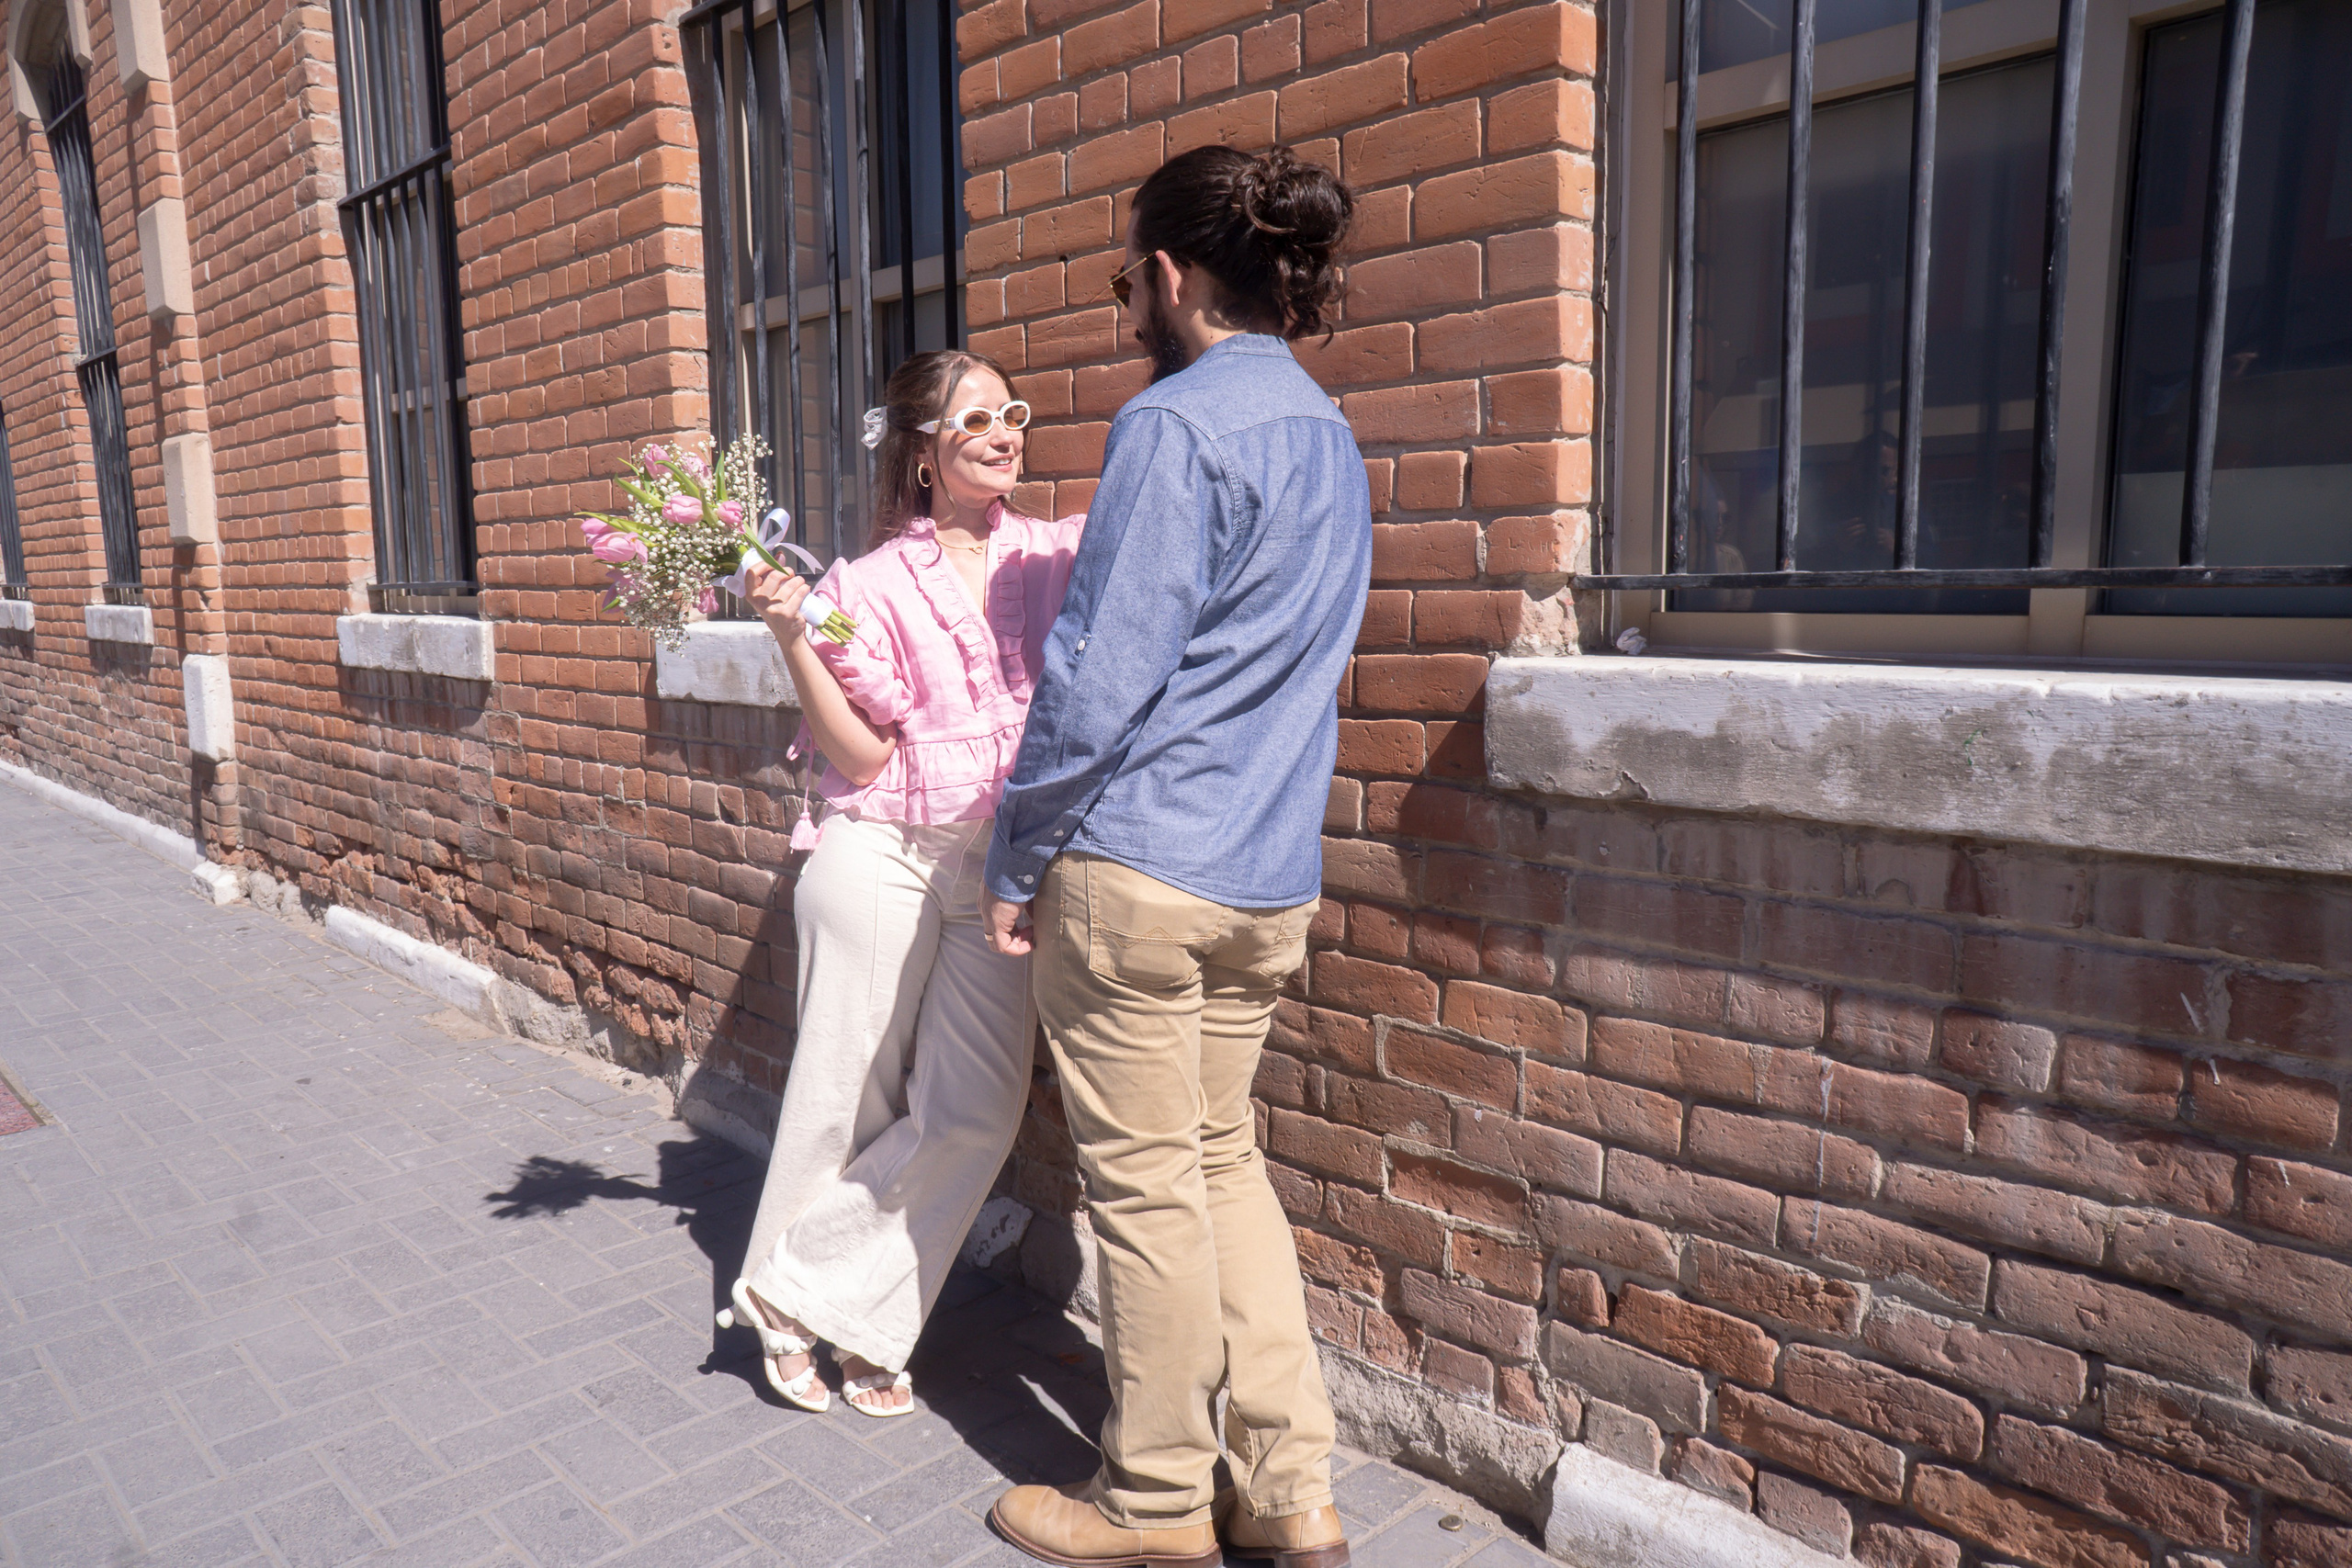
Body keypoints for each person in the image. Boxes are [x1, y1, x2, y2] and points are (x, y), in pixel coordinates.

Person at [978, 144, 1368, 1568]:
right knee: (1221, 1163)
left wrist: (1018, 851)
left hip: (1141, 868)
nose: (1124, 299)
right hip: (1265, 874)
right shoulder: (1327, 435)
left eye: (1125, 274)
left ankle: (1153, 1502)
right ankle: (1291, 1491)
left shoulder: (1176, 424)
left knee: (1147, 1188)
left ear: (1169, 275)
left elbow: (1096, 674)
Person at [724, 349, 1084, 1419]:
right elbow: (867, 756)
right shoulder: (858, 586)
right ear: (923, 450)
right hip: (879, 844)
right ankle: (831, 1321)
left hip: (1001, 864)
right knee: (848, 1089)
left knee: (973, 1112)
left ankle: (811, 1295)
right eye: (974, 418)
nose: (1002, 432)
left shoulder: (1056, 554)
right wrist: (793, 632)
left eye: (1012, 412)